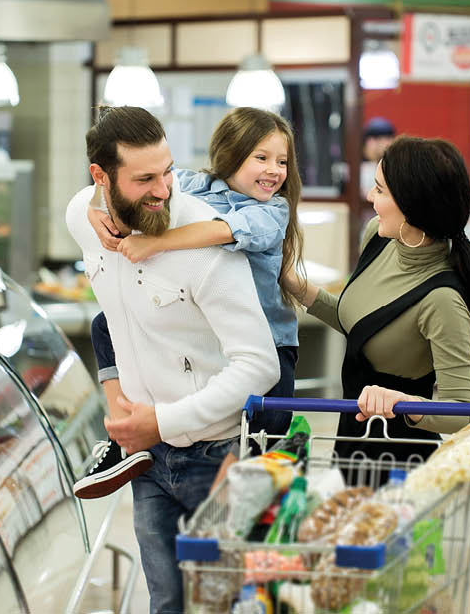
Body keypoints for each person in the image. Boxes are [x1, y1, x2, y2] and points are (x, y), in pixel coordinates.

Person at [65, 106, 280, 614]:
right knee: (166, 604)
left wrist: (161, 421)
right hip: (146, 463)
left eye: (167, 171)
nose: (164, 189)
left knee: (223, 604)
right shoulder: (82, 216)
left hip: (215, 456)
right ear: (101, 178)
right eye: (144, 179)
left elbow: (260, 364)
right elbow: (82, 210)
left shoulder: (205, 243)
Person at [73, 108, 304, 500]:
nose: (275, 170)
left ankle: (263, 504)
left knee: (260, 454)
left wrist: (157, 242)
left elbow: (224, 231)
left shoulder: (272, 209)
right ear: (230, 156)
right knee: (103, 324)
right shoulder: (197, 184)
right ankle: (123, 432)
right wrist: (91, 208)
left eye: (282, 161)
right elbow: (125, 187)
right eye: (261, 158)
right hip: (213, 337)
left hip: (272, 342)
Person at [283, 135, 470, 468]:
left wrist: (402, 402)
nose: (370, 197)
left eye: (380, 190)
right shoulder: (378, 237)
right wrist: (295, 285)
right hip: (351, 442)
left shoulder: (441, 300)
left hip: (400, 458)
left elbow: (462, 411)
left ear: (413, 205)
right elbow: (358, 323)